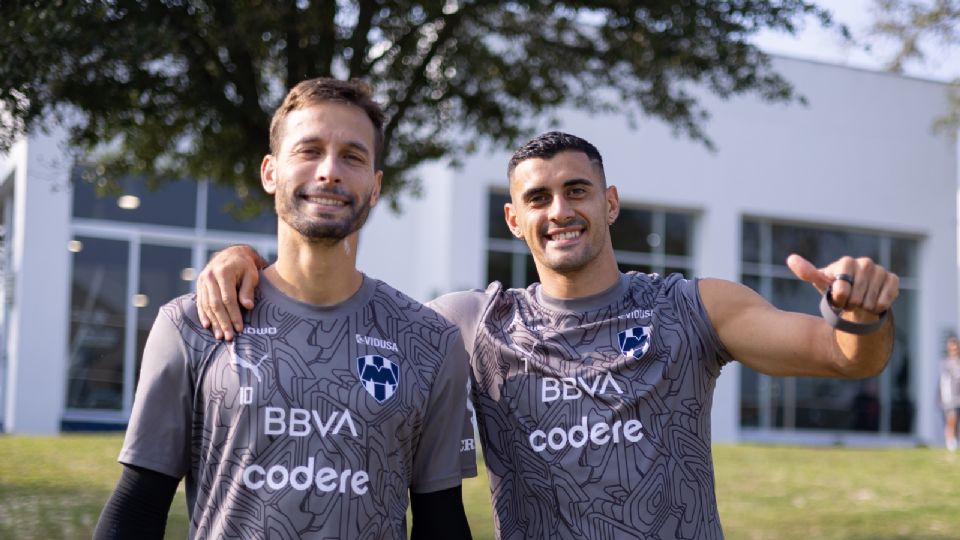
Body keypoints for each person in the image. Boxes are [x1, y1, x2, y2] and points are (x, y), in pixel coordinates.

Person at [197, 131, 899, 539]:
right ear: (514, 219)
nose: (559, 210)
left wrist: (859, 315)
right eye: (538, 198)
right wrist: (251, 260)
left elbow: (844, 359)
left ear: (610, 203)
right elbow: (343, 309)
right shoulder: (473, 322)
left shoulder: (692, 306)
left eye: (577, 191)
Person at [94, 78, 476, 540]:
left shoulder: (430, 342)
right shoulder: (193, 323)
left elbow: (441, 521)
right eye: (309, 150)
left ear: (375, 186)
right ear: (270, 172)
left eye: (352, 156)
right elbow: (137, 508)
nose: (329, 171)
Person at [940, 335, 960, 451]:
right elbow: (944, 381)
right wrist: (946, 398)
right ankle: (950, 442)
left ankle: (956, 441)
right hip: (950, 397)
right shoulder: (946, 363)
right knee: (951, 419)